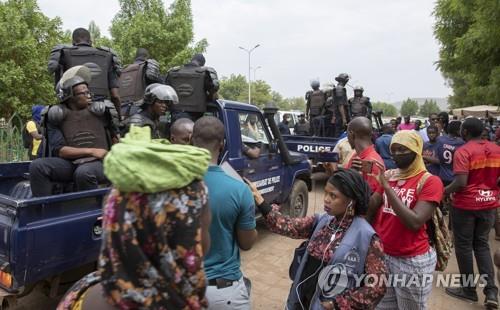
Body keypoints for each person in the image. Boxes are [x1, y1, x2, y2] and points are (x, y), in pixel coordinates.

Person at [57, 125, 212, 310]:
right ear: (181, 233)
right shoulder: (189, 301)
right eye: (204, 229)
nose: (207, 239)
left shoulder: (81, 296)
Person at [247, 168, 387, 309]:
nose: (326, 199)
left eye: (333, 196)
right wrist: (259, 199)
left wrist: (338, 304)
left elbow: (378, 286)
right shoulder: (322, 221)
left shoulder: (367, 237)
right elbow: (288, 226)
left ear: (351, 201)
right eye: (326, 193)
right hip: (303, 299)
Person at [371, 130, 444, 310]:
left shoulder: (430, 181)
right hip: (385, 255)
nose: (396, 154)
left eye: (403, 150)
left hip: (411, 261)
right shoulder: (389, 175)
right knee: (382, 307)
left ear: (416, 151)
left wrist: (387, 188)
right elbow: (371, 208)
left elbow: (415, 222)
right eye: (393, 150)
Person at [192, 116, 258, 310]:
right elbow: (247, 243)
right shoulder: (239, 189)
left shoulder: (171, 185)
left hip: (183, 288)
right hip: (224, 292)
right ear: (222, 145)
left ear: (191, 141)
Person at [29, 66, 118, 197]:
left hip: (101, 163)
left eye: (88, 92)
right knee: (37, 166)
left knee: (84, 173)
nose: (89, 95)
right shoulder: (56, 115)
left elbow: (115, 138)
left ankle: (91, 210)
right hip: (71, 164)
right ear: (70, 96)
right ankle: (45, 210)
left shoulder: (102, 111)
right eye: (84, 93)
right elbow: (60, 150)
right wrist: (92, 151)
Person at [444, 117, 500, 308]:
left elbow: (461, 182)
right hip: (489, 204)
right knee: (482, 245)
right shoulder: (496, 149)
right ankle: (491, 291)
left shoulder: (464, 151)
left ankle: (469, 290)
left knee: (464, 246)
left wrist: (443, 192)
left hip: (466, 206)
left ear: (465, 132)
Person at [48, 28, 122, 118]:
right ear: (90, 41)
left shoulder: (64, 53)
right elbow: (115, 95)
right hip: (102, 109)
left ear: (73, 42)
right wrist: (119, 116)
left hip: (74, 108)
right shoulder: (107, 55)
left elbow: (59, 89)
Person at [344, 117, 386, 224]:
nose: (347, 138)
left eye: (347, 134)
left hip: (360, 223)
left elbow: (369, 207)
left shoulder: (372, 162)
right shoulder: (356, 156)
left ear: (352, 134)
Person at [165, 53, 219, 122]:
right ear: (202, 64)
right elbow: (213, 93)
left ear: (192, 60)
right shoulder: (204, 73)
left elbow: (166, 92)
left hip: (174, 116)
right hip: (195, 118)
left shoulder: (173, 71)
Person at [118, 48, 162, 118]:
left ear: (135, 57)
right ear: (146, 56)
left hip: (120, 110)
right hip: (140, 111)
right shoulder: (147, 66)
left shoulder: (123, 69)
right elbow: (160, 86)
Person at [328, 73, 350, 137]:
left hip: (338, 115)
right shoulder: (340, 89)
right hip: (340, 116)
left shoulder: (338, 88)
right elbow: (340, 104)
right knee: (340, 133)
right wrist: (344, 118)